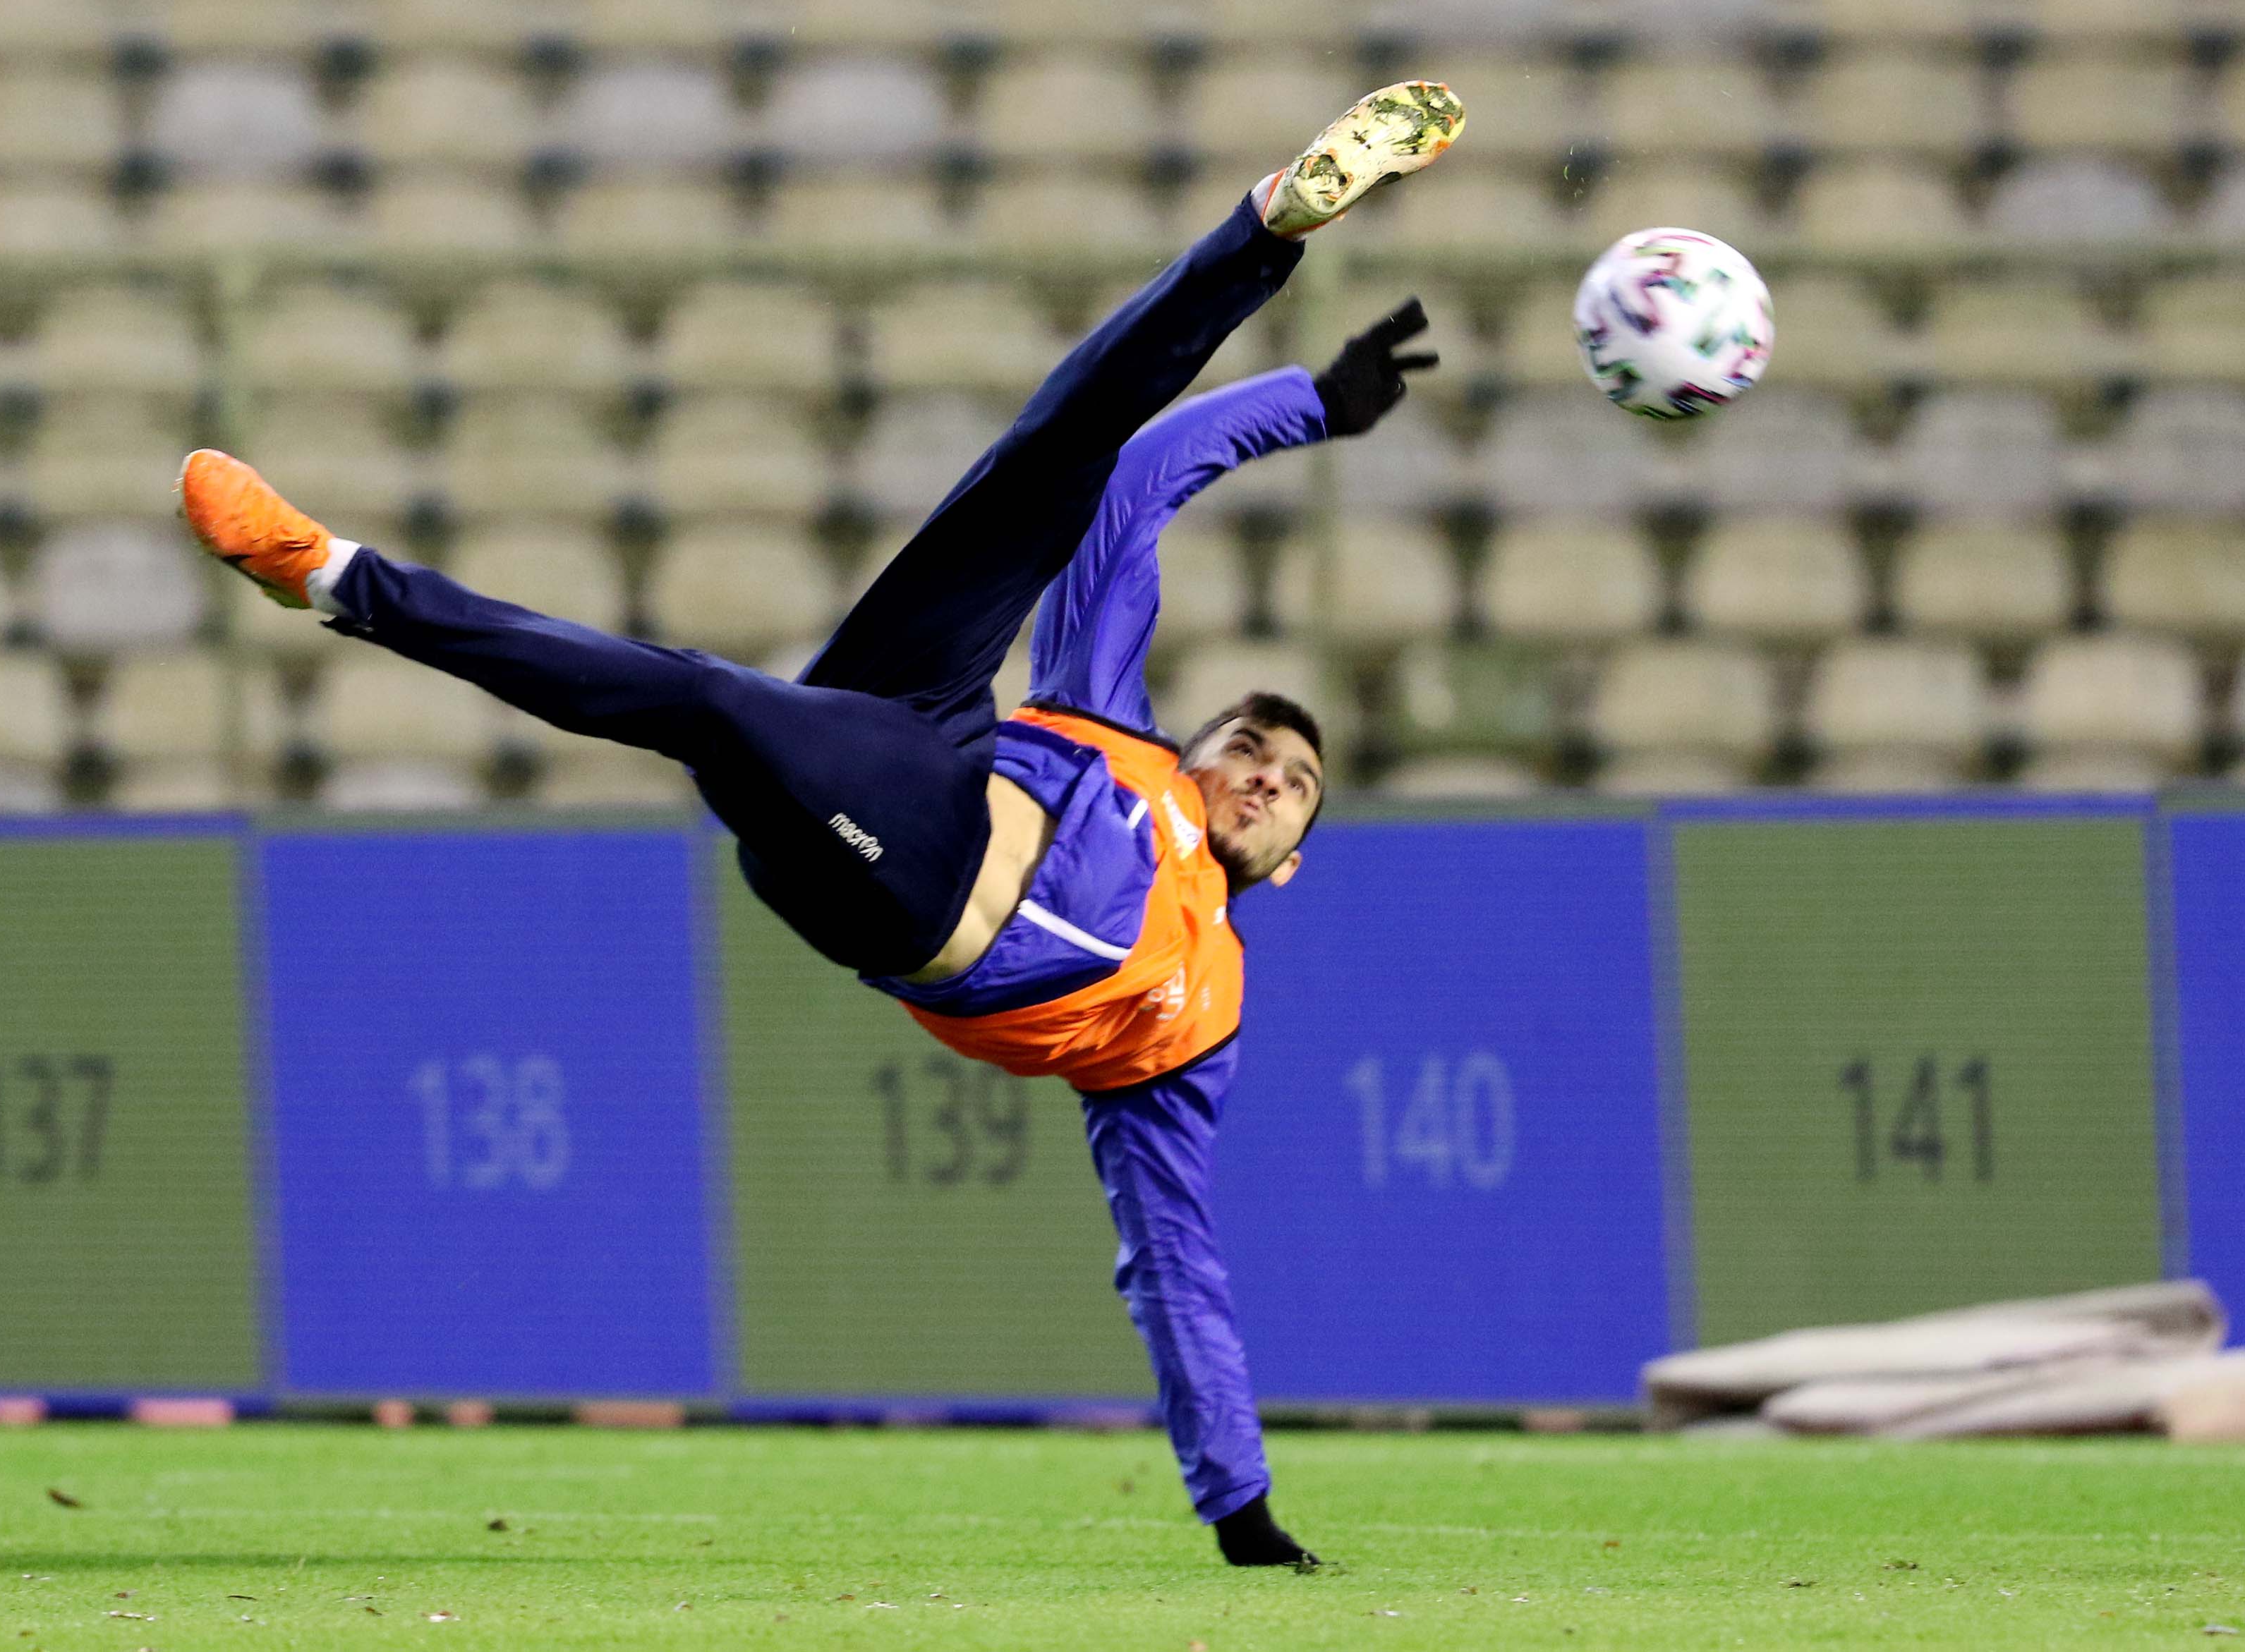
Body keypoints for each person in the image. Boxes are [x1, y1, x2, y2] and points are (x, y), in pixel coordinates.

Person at [178, 80, 1465, 1567]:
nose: (1260, 772)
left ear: (1287, 864)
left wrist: (1239, 1508)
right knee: (1055, 460)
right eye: (1247, 744)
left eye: (1290, 784)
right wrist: (1312, 403)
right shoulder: (1115, 732)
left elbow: (1173, 1258)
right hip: (918, 733)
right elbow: (1140, 480)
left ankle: (338, 579)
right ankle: (1266, 225)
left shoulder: (1198, 1010)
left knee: (709, 703)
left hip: (911, 883)